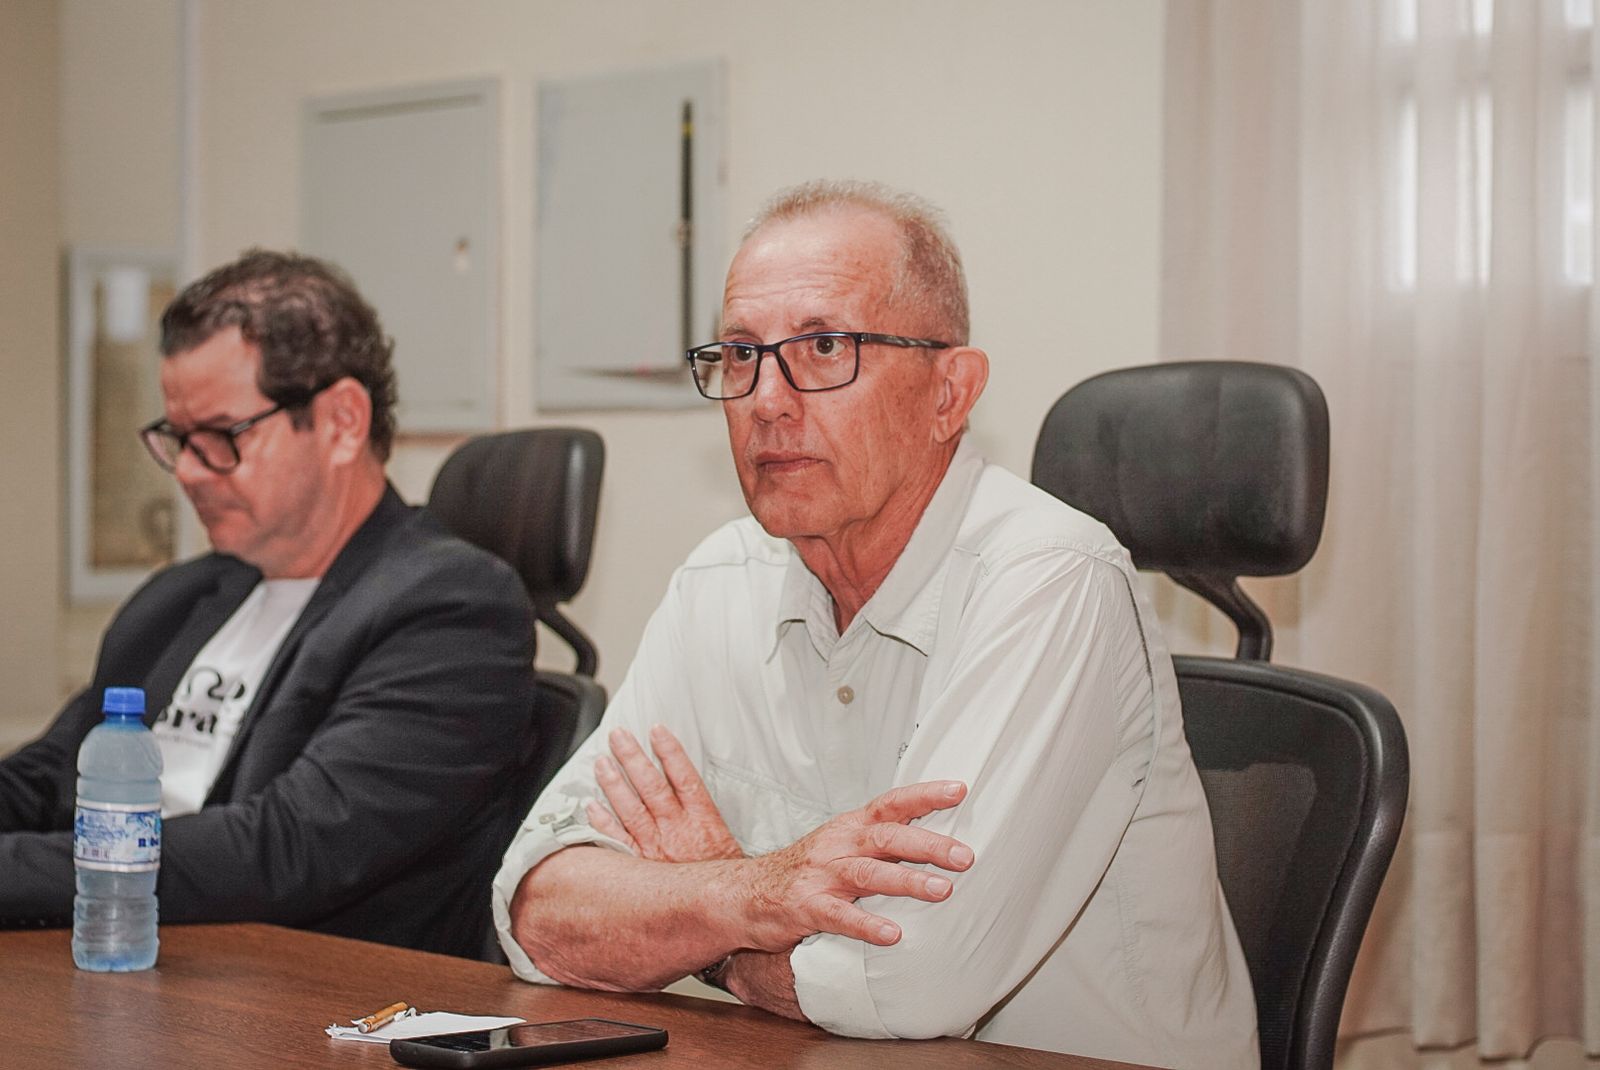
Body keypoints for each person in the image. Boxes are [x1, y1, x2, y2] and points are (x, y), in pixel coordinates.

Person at [493, 182, 1258, 1067]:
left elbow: (906, 985)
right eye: (740, 354)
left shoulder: (1050, 581)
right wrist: (748, 893)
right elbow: (537, 910)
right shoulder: (719, 581)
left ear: (949, 393)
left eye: (825, 348)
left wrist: (700, 920)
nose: (766, 400)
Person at [0, 250, 536, 958]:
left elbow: (281, 852)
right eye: (178, 439)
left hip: (295, 993)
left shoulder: (453, 610)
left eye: (221, 437)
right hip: (121, 957)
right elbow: (52, 774)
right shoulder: (181, 597)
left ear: (342, 421)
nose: (188, 471)